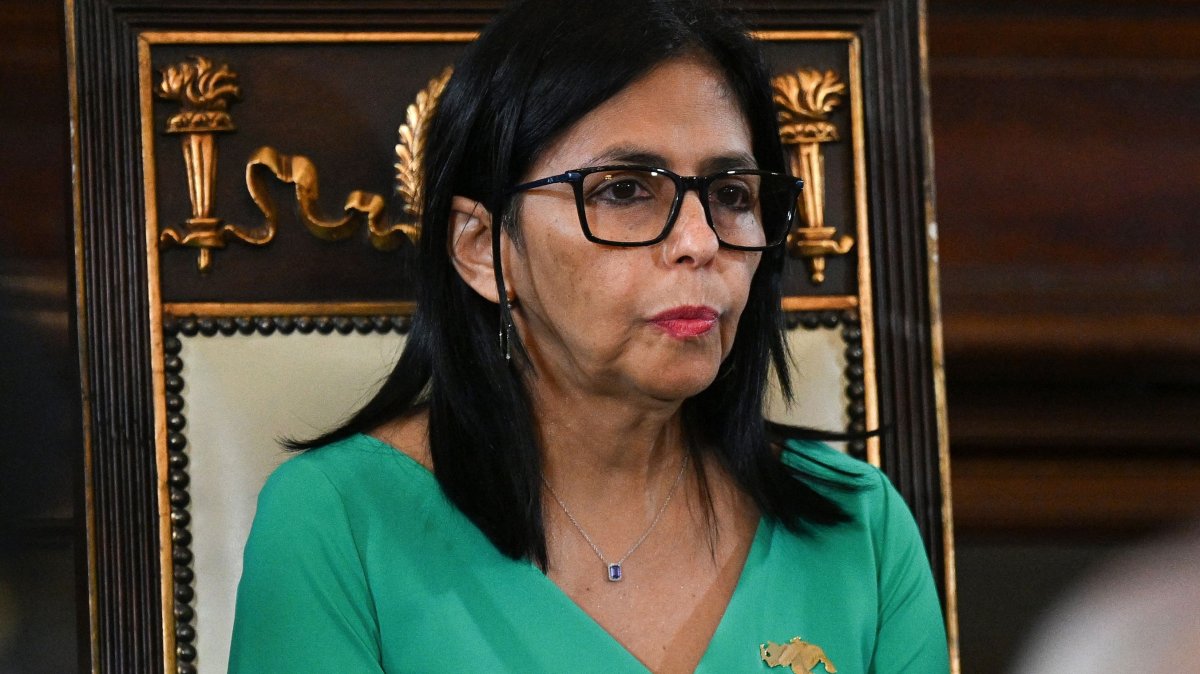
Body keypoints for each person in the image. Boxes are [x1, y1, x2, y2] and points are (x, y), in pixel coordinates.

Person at [229, 1, 950, 672]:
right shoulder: (338, 525)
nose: (700, 242)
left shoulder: (861, 527)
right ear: (483, 247)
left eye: (732, 195)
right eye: (625, 191)